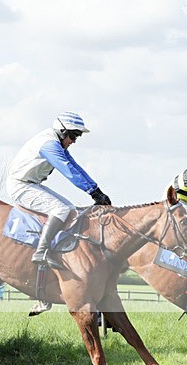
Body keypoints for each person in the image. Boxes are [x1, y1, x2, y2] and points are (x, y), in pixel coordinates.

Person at [6, 112, 111, 269]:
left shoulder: (56, 141)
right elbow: (68, 170)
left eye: (77, 137)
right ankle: (41, 252)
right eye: (74, 135)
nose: (74, 141)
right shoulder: (49, 145)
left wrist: (97, 190)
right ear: (63, 131)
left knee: (70, 209)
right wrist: (92, 192)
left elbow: (76, 166)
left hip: (30, 184)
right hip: (20, 185)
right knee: (60, 209)